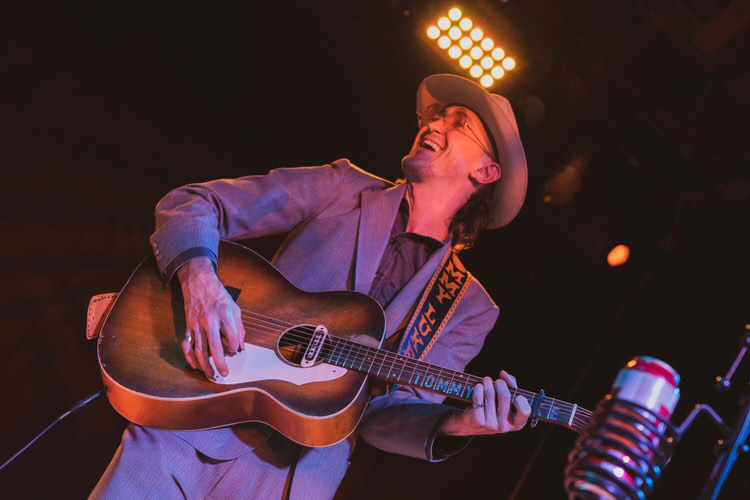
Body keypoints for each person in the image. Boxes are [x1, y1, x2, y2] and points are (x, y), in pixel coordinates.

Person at [91, 74, 532, 499]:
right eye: (435, 116)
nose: (433, 124)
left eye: (458, 122)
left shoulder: (467, 306)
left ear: (486, 170)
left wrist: (459, 424)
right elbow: (194, 203)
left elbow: (383, 416)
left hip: (294, 482)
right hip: (197, 421)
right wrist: (200, 282)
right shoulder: (343, 187)